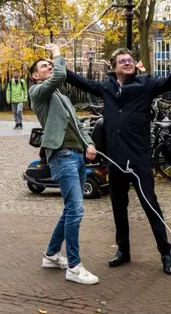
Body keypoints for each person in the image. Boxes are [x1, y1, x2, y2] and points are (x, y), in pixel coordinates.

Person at [65, 46, 171, 275]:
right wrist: (59, 67)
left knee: (150, 205)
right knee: (118, 206)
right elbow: (81, 82)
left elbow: (169, 82)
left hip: (139, 157)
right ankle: (123, 250)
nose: (127, 62)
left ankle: (165, 252)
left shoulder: (145, 84)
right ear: (114, 67)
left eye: (130, 60)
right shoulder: (107, 87)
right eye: (122, 60)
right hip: (115, 158)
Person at [28, 44, 100, 285]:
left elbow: (78, 125)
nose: (49, 66)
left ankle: (50, 255)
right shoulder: (38, 91)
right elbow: (60, 74)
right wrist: (57, 52)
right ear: (35, 76)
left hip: (78, 156)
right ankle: (74, 266)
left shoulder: (63, 98)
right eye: (43, 66)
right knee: (76, 210)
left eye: (50, 64)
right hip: (62, 155)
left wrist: (89, 144)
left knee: (70, 209)